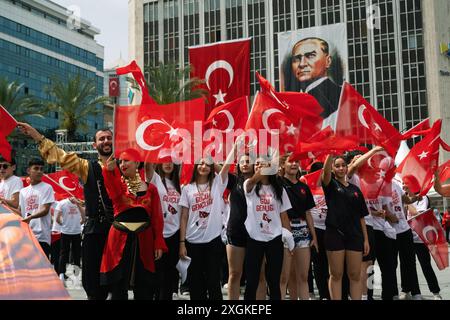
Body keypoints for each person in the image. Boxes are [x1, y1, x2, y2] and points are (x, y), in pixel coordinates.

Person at [18, 122, 114, 300]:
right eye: (102, 138)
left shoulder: (125, 166)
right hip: (94, 231)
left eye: (109, 138)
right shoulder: (87, 167)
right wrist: (37, 136)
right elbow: (60, 156)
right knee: (91, 281)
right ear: (95, 145)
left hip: (117, 232)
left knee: (117, 283)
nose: (106, 141)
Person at [101, 149, 167, 300]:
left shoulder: (151, 189)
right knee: (118, 287)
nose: (122, 164)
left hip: (144, 240)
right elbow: (111, 189)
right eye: (121, 161)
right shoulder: (118, 185)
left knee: (144, 288)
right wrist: (107, 170)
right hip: (118, 241)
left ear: (137, 162)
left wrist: (158, 243)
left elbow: (157, 219)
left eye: (127, 160)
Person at [179, 154, 232, 300]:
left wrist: (212, 160)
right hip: (192, 241)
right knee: (196, 283)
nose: (204, 167)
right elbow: (183, 217)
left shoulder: (216, 185)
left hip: (213, 241)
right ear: (195, 167)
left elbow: (226, 167)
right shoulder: (187, 189)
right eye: (201, 163)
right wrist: (182, 243)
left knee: (213, 281)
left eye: (207, 165)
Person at [243, 154, 293, 300]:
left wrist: (289, 239)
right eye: (257, 164)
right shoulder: (249, 184)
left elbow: (284, 216)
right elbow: (254, 179)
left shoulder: (279, 189)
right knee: (252, 281)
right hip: (254, 238)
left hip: (275, 239)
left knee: (274, 282)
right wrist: (269, 165)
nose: (259, 166)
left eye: (262, 164)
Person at [321, 154, 369, 300]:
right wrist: (329, 153)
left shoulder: (356, 190)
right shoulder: (330, 185)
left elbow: (362, 217)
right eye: (337, 166)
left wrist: (365, 240)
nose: (341, 168)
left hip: (355, 236)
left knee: (355, 275)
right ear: (333, 169)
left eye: (343, 165)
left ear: (347, 167)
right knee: (336, 274)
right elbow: (325, 173)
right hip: (335, 234)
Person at [279, 155, 317, 300]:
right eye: (290, 161)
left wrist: (314, 236)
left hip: (302, 231)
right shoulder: (277, 183)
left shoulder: (304, 187)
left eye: (296, 161)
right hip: (283, 230)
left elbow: (308, 213)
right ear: (283, 165)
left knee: (302, 276)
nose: (294, 164)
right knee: (284, 277)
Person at [145, 162, 182, 300]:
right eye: (164, 160)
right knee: (157, 274)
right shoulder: (155, 179)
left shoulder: (179, 184)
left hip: (175, 234)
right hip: (158, 234)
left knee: (170, 274)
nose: (168, 164)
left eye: (171, 161)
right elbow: (148, 166)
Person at [382, 178, 422, 300]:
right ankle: (393, 293)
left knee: (409, 262)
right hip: (389, 231)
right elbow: (376, 206)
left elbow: (407, 200)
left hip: (404, 229)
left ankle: (414, 291)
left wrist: (416, 197)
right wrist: (389, 216)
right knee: (391, 264)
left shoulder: (397, 184)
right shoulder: (378, 186)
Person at [288, 37, 342, 119]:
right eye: (297, 58)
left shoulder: (340, 96)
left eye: (310, 56)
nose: (302, 64)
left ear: (328, 61)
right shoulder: (291, 103)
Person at [226, 153, 255, 300]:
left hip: (257, 233)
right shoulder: (233, 180)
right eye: (241, 161)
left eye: (248, 161)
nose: (244, 164)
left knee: (257, 274)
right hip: (236, 231)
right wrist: (234, 148)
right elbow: (220, 168)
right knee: (234, 274)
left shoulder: (262, 182)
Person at [14, 158, 55, 258]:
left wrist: (30, 217)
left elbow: (45, 210)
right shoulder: (23, 191)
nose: (39, 171)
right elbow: (20, 212)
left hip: (42, 237)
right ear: (28, 171)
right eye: (36, 168)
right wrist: (4, 204)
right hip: (27, 236)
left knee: (42, 270)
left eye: (41, 169)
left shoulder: (47, 187)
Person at [301, 162, 330, 300]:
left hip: (330, 229)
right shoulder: (306, 187)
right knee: (318, 264)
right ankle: (323, 294)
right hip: (315, 230)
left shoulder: (330, 186)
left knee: (331, 264)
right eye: (321, 172)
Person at [407, 195, 443, 300]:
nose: (404, 186)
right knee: (409, 266)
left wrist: (407, 203)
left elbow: (419, 214)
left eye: (406, 185)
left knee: (425, 265)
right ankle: (414, 292)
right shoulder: (401, 195)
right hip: (406, 237)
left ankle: (436, 292)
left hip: (420, 238)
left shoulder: (422, 197)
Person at [55, 196, 85, 281]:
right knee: (66, 253)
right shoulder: (62, 203)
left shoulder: (79, 203)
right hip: (66, 232)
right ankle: (62, 274)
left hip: (76, 232)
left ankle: (74, 274)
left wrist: (78, 205)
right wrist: (65, 225)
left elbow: (83, 218)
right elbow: (57, 219)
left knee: (75, 254)